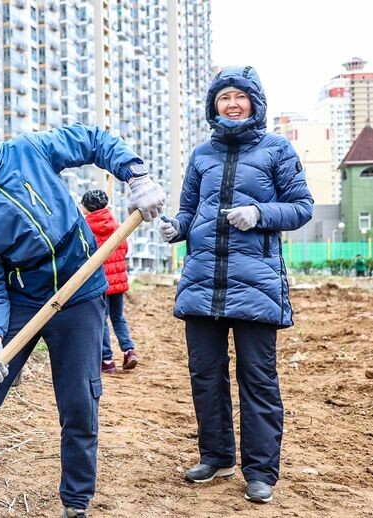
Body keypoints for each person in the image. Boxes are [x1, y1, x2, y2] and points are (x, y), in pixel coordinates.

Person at [0, 112, 166, 517]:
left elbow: (91, 140)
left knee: (79, 401)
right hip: (24, 298)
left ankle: (75, 502)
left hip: (80, 291)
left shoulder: (29, 151)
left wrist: (135, 174)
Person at [158, 66, 313, 504]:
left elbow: (301, 207)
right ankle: (217, 455)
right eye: (224, 97)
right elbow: (190, 210)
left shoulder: (277, 150)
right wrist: (177, 228)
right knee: (205, 375)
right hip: (203, 282)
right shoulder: (202, 155)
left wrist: (260, 213)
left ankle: (260, 471)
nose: (231, 104)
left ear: (255, 103)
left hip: (256, 284)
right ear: (214, 106)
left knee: (258, 378)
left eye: (239, 97)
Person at [80, 190, 138, 374]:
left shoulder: (85, 228)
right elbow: (124, 249)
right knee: (118, 317)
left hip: (98, 283)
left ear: (87, 207)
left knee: (102, 320)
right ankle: (129, 350)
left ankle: (107, 361)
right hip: (118, 281)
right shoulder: (118, 226)